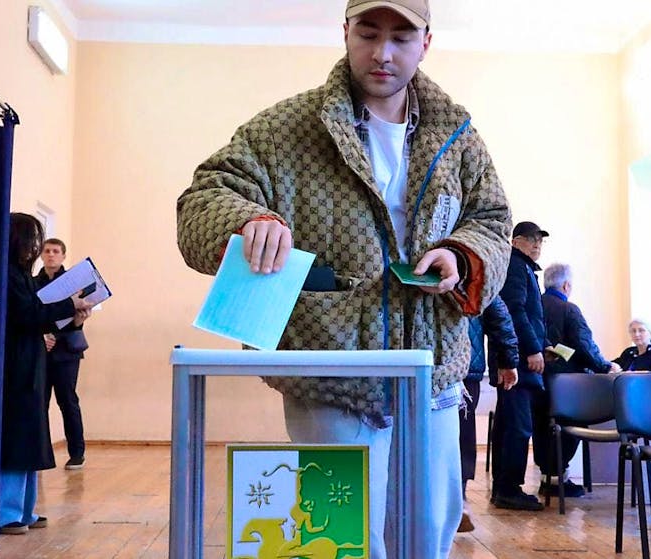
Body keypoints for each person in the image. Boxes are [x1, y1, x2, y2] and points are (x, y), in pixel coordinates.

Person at [176, 1, 512, 556]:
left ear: (426, 43)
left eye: (401, 37)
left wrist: (462, 254)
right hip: (332, 375)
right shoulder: (285, 130)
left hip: (432, 375)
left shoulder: (459, 137)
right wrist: (247, 220)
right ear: (346, 33)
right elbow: (202, 200)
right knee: (338, 541)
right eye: (369, 33)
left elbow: (493, 222)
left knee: (428, 532)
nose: (383, 53)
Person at [0, 214, 91, 534]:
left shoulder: (22, 275)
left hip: (32, 359)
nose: (39, 248)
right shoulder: (8, 274)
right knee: (17, 434)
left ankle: (23, 510)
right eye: (34, 240)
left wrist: (74, 315)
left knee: (30, 433)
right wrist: (69, 305)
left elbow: (40, 317)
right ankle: (4, 512)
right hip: (16, 361)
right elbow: (28, 314)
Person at [533, 262, 621, 498]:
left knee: (543, 426)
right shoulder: (569, 309)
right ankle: (559, 478)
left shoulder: (535, 304)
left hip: (539, 378)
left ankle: (547, 478)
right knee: (573, 426)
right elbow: (584, 344)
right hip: (570, 385)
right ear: (567, 284)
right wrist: (605, 366)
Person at [490, 221, 548, 511]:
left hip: (516, 356)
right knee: (518, 426)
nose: (536, 245)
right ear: (516, 241)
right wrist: (532, 348)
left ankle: (503, 487)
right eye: (530, 239)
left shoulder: (522, 267)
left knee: (508, 424)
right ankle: (509, 488)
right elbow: (515, 310)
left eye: (540, 240)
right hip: (518, 359)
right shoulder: (515, 265)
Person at [458, 298, 518, 533]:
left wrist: (507, 357)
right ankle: (458, 499)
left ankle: (456, 497)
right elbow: (497, 310)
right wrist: (507, 358)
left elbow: (494, 306)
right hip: (464, 363)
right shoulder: (472, 263)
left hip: (450, 362)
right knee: (463, 431)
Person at [35, 238, 91, 470]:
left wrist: (77, 322)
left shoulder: (72, 283)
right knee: (39, 403)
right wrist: (42, 336)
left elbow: (75, 317)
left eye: (56, 251)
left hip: (66, 351)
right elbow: (32, 312)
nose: (51, 255)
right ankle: (40, 453)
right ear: (41, 255)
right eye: (47, 251)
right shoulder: (33, 282)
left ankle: (77, 453)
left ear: (63, 256)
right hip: (39, 349)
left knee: (67, 401)